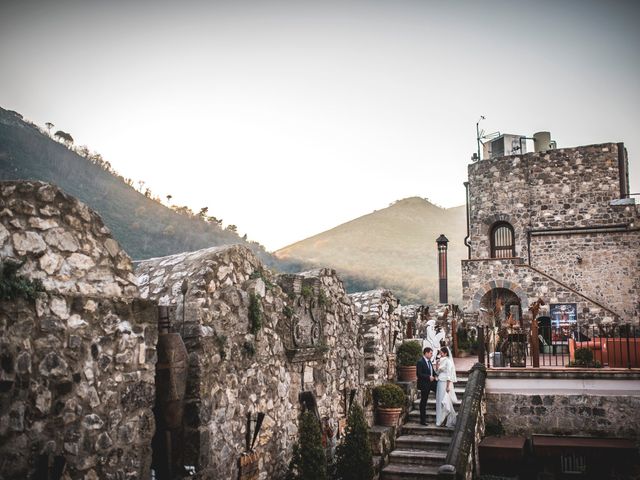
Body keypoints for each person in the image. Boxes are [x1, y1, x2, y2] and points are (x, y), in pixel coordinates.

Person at [435, 346, 457, 428]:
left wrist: (448, 386)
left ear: (446, 353)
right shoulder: (441, 360)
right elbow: (437, 372)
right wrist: (437, 364)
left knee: (444, 401)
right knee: (439, 400)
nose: (440, 354)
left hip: (445, 383)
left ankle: (444, 419)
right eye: (439, 353)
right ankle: (440, 420)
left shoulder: (448, 362)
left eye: (441, 353)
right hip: (440, 382)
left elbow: (449, 375)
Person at [416, 347, 437, 426]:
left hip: (431, 383)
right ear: (426, 353)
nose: (432, 355)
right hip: (424, 384)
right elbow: (419, 374)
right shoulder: (420, 362)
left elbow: (432, 371)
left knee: (440, 392)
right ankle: (423, 420)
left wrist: (436, 376)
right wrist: (428, 377)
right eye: (431, 353)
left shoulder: (429, 361)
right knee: (423, 402)